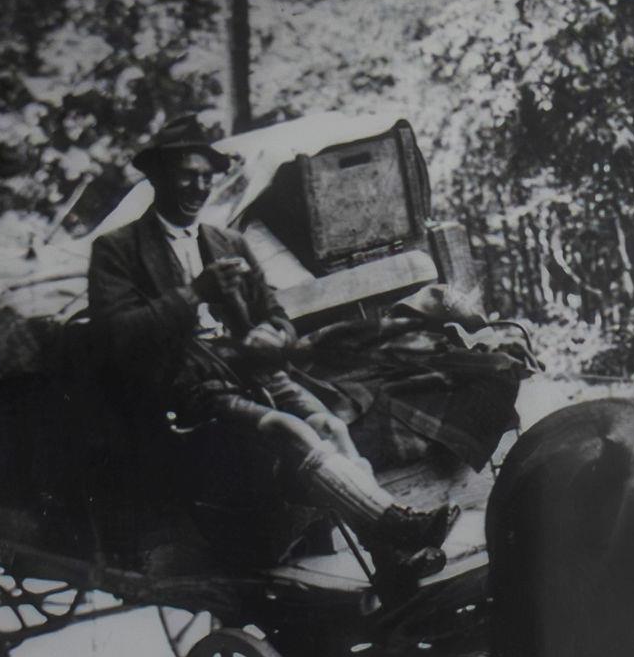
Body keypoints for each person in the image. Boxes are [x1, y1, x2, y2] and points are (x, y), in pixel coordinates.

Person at [88, 114, 453, 595]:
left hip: (254, 371)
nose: (199, 187)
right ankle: (396, 525)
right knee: (289, 428)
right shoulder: (118, 249)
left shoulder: (226, 241)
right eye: (186, 176)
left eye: (206, 177)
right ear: (157, 178)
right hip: (184, 387)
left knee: (331, 426)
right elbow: (114, 336)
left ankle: (389, 557)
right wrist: (193, 294)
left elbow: (277, 315)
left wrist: (274, 336)